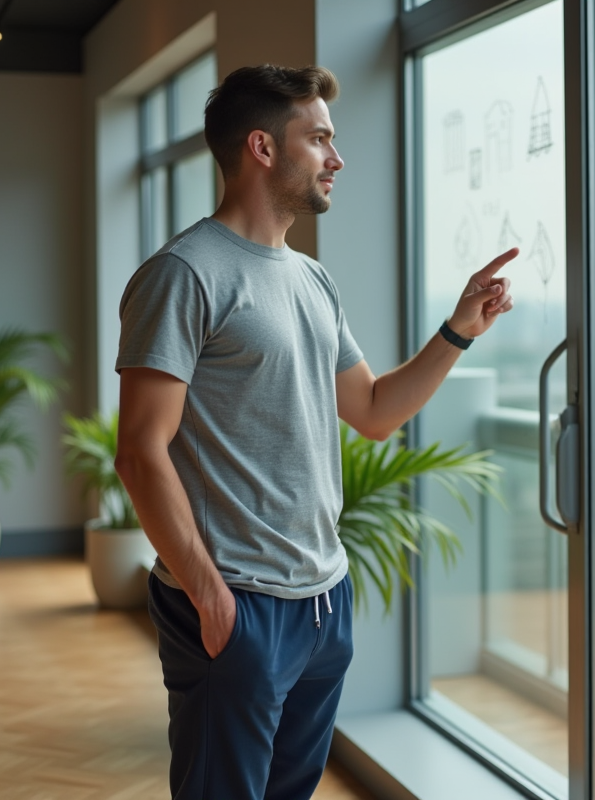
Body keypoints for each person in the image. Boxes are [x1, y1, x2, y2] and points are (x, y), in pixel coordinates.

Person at [113, 63, 517, 800]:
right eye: (320, 138)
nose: (337, 157)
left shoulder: (311, 279)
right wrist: (211, 600)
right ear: (263, 148)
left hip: (322, 600)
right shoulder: (184, 273)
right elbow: (140, 452)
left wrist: (458, 331)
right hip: (236, 603)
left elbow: (372, 411)